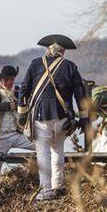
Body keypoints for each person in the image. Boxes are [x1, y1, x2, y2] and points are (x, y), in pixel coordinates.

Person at [18, 34, 88, 200]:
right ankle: (58, 185)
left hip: (41, 117)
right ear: (62, 52)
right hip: (63, 118)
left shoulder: (35, 64)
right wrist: (84, 119)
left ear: (48, 50)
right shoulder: (71, 66)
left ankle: (46, 191)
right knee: (58, 151)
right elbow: (80, 95)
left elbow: (23, 90)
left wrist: (22, 116)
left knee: (43, 155)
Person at [0, 65, 35, 193]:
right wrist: (0, 107)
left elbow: (29, 108)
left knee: (41, 147)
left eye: (12, 79)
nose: (9, 82)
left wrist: (20, 107)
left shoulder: (19, 91)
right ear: (1, 79)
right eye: (7, 79)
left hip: (18, 133)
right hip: (0, 136)